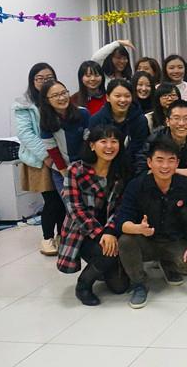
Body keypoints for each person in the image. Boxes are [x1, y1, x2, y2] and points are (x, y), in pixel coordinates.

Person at [116, 137, 187, 308]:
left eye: (171, 160)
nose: (165, 166)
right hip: (146, 241)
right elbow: (121, 222)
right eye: (159, 160)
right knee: (126, 240)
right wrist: (138, 229)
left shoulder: (185, 185)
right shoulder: (136, 185)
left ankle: (167, 264)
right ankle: (139, 284)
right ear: (149, 162)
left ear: (177, 163)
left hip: (173, 240)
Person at [56, 125, 131, 305]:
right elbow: (75, 209)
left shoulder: (121, 171)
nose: (109, 146)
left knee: (120, 287)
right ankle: (83, 285)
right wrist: (101, 234)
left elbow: (121, 208)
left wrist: (110, 231)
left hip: (110, 230)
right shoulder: (76, 170)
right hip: (82, 232)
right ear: (92, 145)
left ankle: (103, 267)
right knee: (106, 253)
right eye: (103, 141)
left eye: (114, 141)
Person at [12, 63, 65, 255]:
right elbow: (26, 134)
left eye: (49, 78)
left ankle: (62, 236)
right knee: (52, 201)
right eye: (39, 78)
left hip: (60, 156)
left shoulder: (57, 98)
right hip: (40, 159)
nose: (44, 82)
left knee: (63, 199)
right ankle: (47, 238)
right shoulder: (24, 105)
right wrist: (47, 156)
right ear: (32, 81)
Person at [89, 79, 151, 175]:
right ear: (108, 97)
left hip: (132, 169)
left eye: (127, 96)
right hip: (103, 168)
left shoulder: (140, 120)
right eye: (117, 96)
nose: (123, 100)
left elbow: (140, 150)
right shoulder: (96, 120)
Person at [39, 80, 90, 194]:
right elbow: (53, 151)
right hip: (62, 169)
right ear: (47, 100)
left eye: (64, 93)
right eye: (55, 95)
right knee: (70, 202)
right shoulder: (46, 121)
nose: (62, 98)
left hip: (85, 166)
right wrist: (67, 178)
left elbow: (88, 141)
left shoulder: (83, 113)